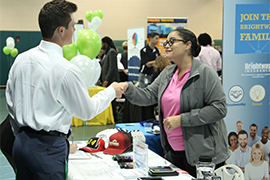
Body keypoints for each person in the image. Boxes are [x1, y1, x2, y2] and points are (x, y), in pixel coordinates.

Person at [5, 1, 124, 179]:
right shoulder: (66, 69)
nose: (75, 30)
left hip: (21, 143)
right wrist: (111, 92)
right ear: (61, 31)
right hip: (48, 148)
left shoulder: (22, 60)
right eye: (72, 26)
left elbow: (10, 104)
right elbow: (86, 111)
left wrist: (23, 134)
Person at [119, 28, 229, 177]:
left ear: (188, 45)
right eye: (166, 42)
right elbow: (148, 95)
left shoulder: (205, 73)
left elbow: (219, 108)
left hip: (202, 155)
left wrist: (182, 120)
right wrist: (127, 89)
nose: (167, 45)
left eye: (172, 41)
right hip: (173, 153)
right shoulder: (167, 73)